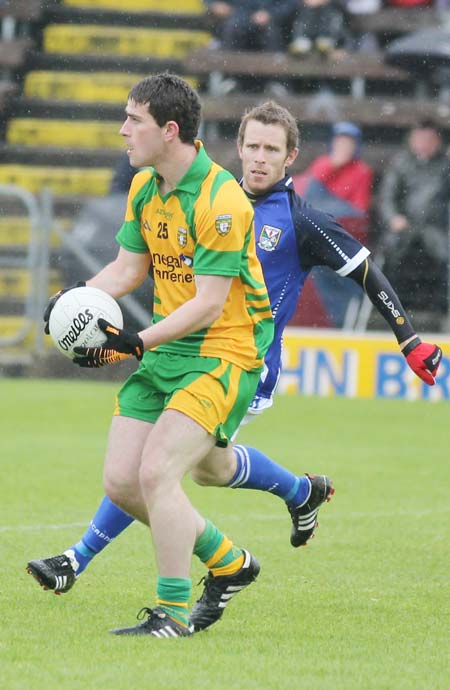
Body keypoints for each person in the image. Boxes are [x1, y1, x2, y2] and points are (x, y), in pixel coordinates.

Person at [27, 100, 441, 620]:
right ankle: (297, 494)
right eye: (251, 147)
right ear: (238, 148)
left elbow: (365, 272)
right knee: (206, 469)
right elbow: (137, 264)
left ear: (292, 157)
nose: (259, 159)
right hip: (183, 350)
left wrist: (408, 340)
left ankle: (80, 558)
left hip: (243, 361)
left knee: (160, 468)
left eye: (272, 149)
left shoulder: (299, 219)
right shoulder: (208, 196)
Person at [293, 120, 374, 327]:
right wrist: (333, 165)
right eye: (340, 142)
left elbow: (359, 209)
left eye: (348, 143)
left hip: (340, 223)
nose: (343, 147)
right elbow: (308, 189)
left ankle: (339, 316)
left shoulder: (361, 170)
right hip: (320, 220)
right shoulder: (323, 163)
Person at [379, 119, 450, 328]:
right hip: (405, 228)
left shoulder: (445, 166)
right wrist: (393, 218)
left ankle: (443, 312)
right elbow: (387, 198)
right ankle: (390, 311)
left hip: (436, 229)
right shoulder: (400, 163)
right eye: (419, 138)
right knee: (388, 257)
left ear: (438, 141)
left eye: (428, 139)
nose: (423, 143)